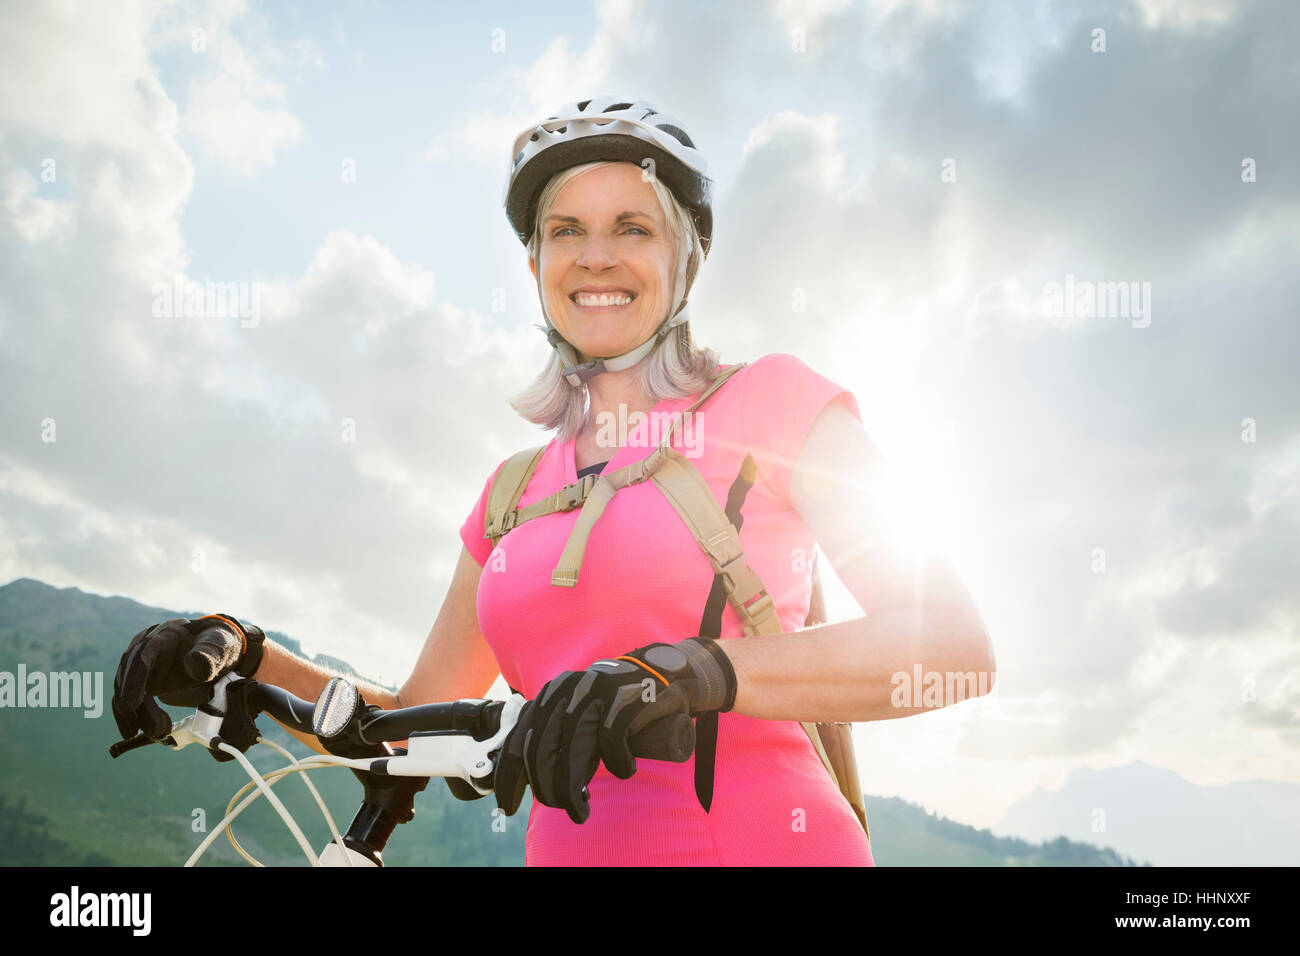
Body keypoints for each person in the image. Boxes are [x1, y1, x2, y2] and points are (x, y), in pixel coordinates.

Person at [111, 96, 995, 867]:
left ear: (684, 259)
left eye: (632, 228)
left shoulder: (770, 402)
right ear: (535, 264)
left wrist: (690, 672)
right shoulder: (511, 493)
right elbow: (406, 722)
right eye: (565, 230)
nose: (595, 256)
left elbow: (952, 650)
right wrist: (240, 649)